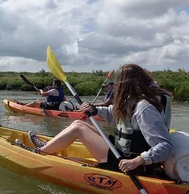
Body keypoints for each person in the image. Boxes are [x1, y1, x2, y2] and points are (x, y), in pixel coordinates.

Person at [16, 64, 173, 176]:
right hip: (122, 152)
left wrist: (138, 160)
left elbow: (166, 146)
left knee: (78, 128)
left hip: (127, 163)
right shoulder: (139, 100)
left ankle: (40, 152)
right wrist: (95, 109)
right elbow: (115, 115)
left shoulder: (145, 107)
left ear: (126, 84)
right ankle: (47, 147)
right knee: (79, 123)